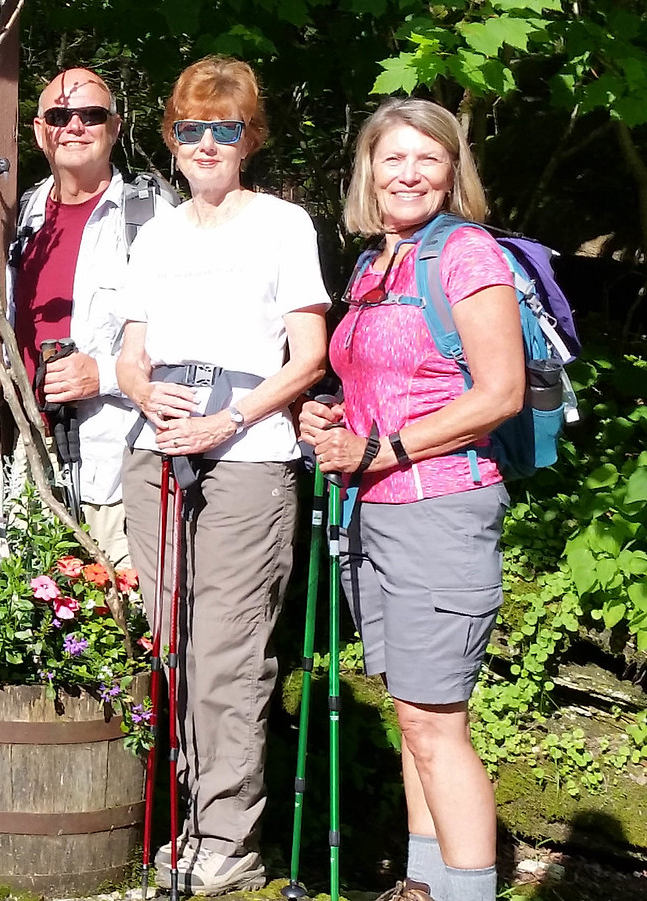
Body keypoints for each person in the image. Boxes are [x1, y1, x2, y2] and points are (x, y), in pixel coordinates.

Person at [114, 56, 328, 895]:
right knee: (172, 642)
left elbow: (308, 356)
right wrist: (140, 387)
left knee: (227, 657)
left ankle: (228, 837)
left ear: (250, 139)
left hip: (248, 457)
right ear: (171, 139)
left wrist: (232, 419)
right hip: (157, 454)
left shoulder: (283, 224)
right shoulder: (155, 233)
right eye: (191, 128)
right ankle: (191, 818)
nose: (207, 143)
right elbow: (131, 349)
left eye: (225, 129)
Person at [299, 98, 522, 901]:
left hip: (440, 509)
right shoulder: (371, 265)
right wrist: (329, 413)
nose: (409, 173)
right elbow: (381, 385)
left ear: (453, 171)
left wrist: (385, 447)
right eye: (393, 157)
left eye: (428, 158)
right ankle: (424, 887)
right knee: (413, 719)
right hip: (376, 514)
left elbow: (499, 393)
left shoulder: (466, 254)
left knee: (439, 724)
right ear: (368, 170)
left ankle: (469, 894)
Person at [8, 67, 172, 571]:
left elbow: (186, 336)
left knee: (122, 618)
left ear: (115, 128)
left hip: (117, 455)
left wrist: (102, 373)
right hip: (32, 450)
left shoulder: (151, 216)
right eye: (59, 115)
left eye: (91, 115)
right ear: (39, 131)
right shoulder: (26, 214)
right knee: (28, 616)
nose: (74, 125)